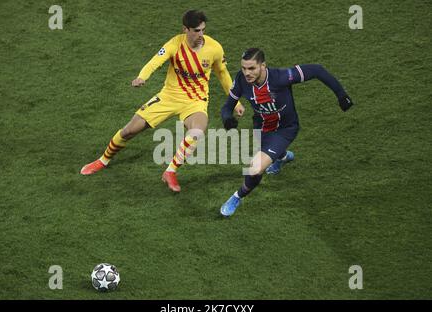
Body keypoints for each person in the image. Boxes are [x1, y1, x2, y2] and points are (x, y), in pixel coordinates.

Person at [80, 10, 243, 192]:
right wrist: (142, 77)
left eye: (203, 30)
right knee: (129, 131)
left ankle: (170, 171)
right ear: (185, 29)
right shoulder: (175, 44)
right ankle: (103, 160)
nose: (201, 35)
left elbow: (223, 74)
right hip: (168, 97)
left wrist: (235, 102)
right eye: (196, 30)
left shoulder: (214, 48)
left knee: (197, 131)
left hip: (195, 101)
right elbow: (155, 61)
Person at [220, 48, 353, 216]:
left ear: (263, 66)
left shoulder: (280, 77)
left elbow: (317, 70)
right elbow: (227, 106)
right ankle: (282, 157)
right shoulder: (241, 79)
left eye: (251, 68)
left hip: (284, 129)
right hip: (261, 127)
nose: (247, 73)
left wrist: (341, 95)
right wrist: (227, 119)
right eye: (244, 68)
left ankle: (236, 197)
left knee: (255, 168)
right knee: (271, 153)